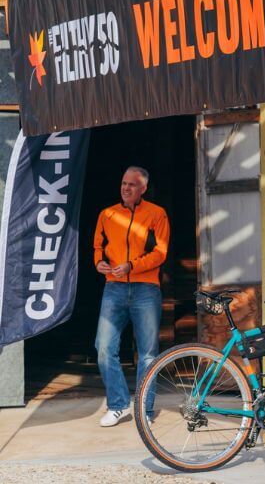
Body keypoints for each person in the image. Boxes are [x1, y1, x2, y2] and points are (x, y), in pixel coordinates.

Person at [93, 166, 170, 427]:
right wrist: (99, 263)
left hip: (146, 289)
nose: (126, 188)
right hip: (113, 287)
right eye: (124, 183)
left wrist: (131, 266)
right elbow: (98, 247)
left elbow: (160, 253)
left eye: (132, 185)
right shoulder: (107, 214)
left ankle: (144, 411)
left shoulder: (157, 214)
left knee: (148, 353)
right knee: (103, 348)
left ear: (143, 188)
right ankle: (118, 404)